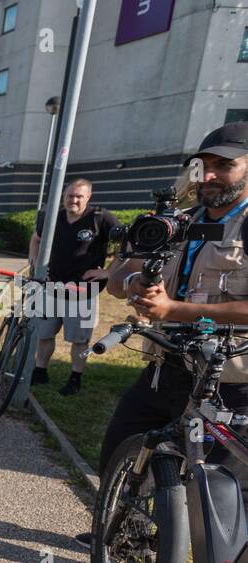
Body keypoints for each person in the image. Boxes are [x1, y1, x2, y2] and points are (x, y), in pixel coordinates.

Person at [97, 121, 248, 477]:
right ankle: (115, 530)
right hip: (165, 369)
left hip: (229, 383)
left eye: (224, 166)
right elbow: (117, 282)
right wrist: (135, 282)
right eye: (202, 166)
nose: (209, 175)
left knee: (214, 492)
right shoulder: (177, 222)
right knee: (119, 455)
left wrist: (176, 310)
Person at [29, 179, 122, 396]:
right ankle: (40, 371)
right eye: (70, 195)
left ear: (88, 197)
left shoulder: (101, 218)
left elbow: (127, 244)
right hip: (51, 288)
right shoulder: (53, 217)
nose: (74, 200)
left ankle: (75, 379)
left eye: (79, 196)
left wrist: (108, 272)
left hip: (82, 293)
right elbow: (36, 239)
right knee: (44, 334)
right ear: (63, 197)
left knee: (80, 340)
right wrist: (37, 266)